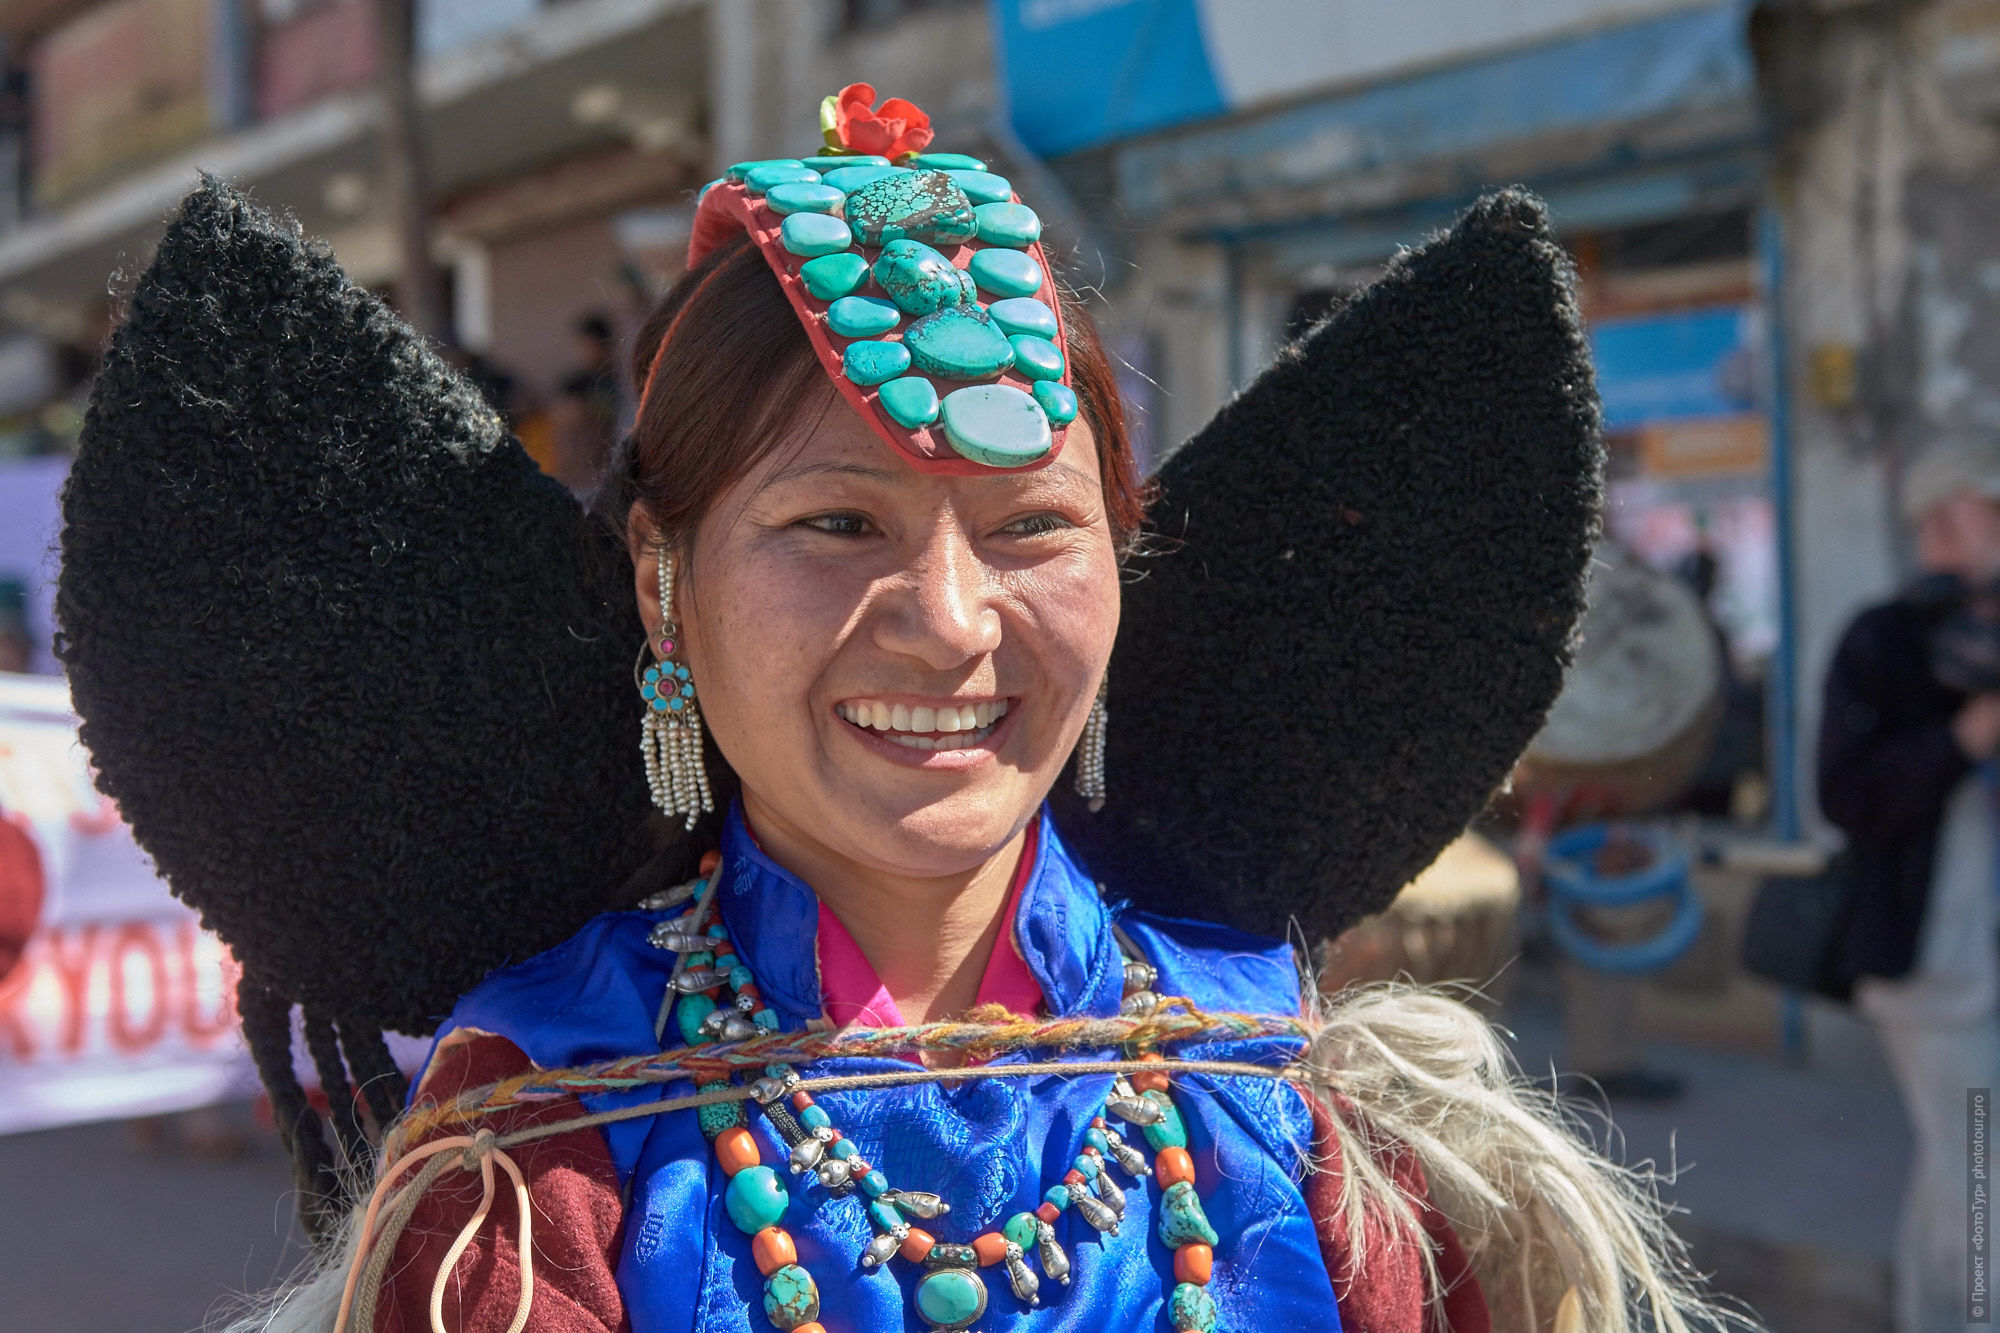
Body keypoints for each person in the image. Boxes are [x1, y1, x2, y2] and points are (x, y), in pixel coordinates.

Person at [58, 87, 1747, 1333]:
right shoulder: (545, 1161)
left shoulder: (1302, 1120)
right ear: (662, 579)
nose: (952, 625)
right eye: (834, 523)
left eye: (1033, 530)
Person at [1819, 442, 2000, 1333]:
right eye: (1988, 510)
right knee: (1982, 1178)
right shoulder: (1886, 639)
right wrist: (1960, 742)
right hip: (1940, 972)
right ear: (1938, 523)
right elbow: (1846, 793)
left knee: (1957, 1176)